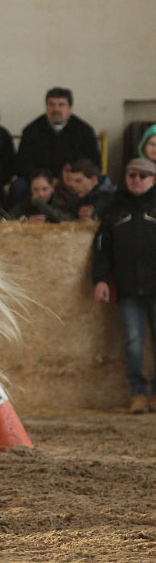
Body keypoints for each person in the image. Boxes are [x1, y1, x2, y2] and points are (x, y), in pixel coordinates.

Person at [92, 157, 156, 414]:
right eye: (132, 175)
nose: (137, 180)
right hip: (128, 287)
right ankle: (138, 393)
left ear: (153, 179)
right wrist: (100, 280)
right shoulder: (114, 208)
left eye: (143, 175)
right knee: (133, 340)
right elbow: (101, 249)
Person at [12, 87, 99, 203]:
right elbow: (22, 164)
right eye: (51, 104)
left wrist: (70, 179)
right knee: (18, 186)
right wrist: (44, 180)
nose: (56, 109)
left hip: (73, 180)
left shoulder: (84, 131)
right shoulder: (31, 130)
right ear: (46, 108)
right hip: (40, 182)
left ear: (70, 109)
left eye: (61, 105)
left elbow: (94, 163)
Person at [8, 169, 73, 223]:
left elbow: (69, 219)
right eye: (35, 189)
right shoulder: (27, 202)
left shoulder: (60, 201)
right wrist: (26, 219)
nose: (40, 193)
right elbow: (9, 217)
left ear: (52, 188)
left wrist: (42, 205)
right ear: (31, 189)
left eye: (44, 189)